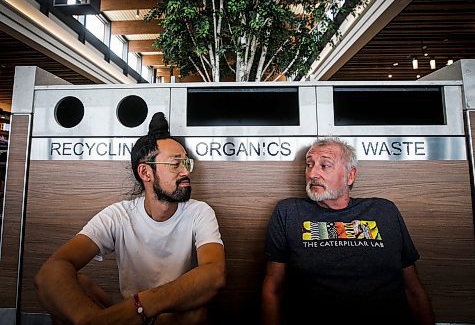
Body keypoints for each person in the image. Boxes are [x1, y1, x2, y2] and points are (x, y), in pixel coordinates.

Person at [35, 112, 225, 325]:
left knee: (194, 311)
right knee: (73, 286)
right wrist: (91, 320)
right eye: (175, 164)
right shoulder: (118, 216)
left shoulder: (199, 212)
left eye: (186, 163)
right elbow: (51, 271)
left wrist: (141, 305)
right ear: (146, 173)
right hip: (125, 318)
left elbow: (214, 273)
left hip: (166, 313)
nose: (185, 172)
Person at [261, 137, 434, 325]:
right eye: (309, 165)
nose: (312, 174)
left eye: (325, 165)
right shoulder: (289, 211)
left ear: (350, 176)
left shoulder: (384, 211)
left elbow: (413, 288)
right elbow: (273, 287)